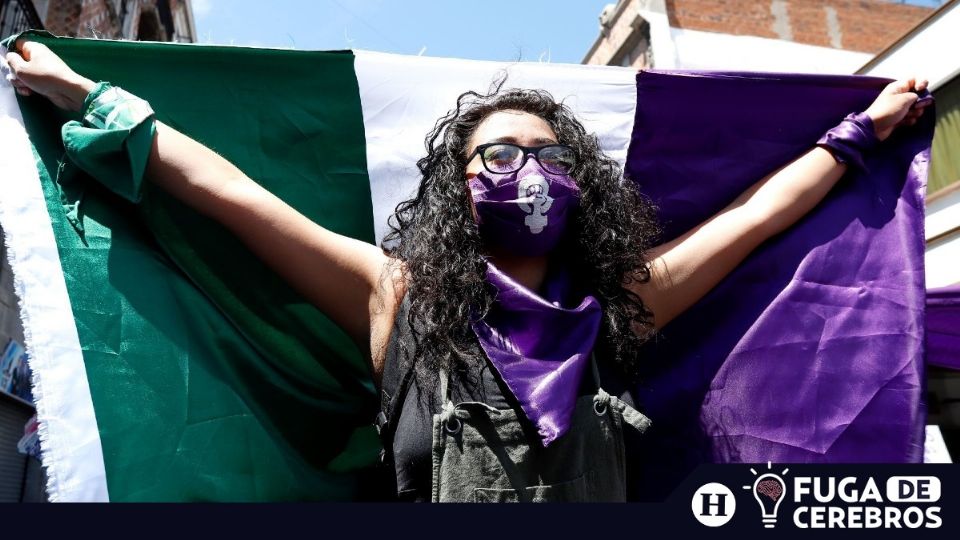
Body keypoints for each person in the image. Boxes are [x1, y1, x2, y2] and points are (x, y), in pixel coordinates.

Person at [4, 39, 931, 502]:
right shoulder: (392, 297)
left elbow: (754, 216)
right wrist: (93, 99)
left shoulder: (623, 306)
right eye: (496, 155)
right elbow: (237, 197)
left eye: (546, 153)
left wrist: (860, 134)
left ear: (581, 185)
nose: (525, 172)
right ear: (456, 187)